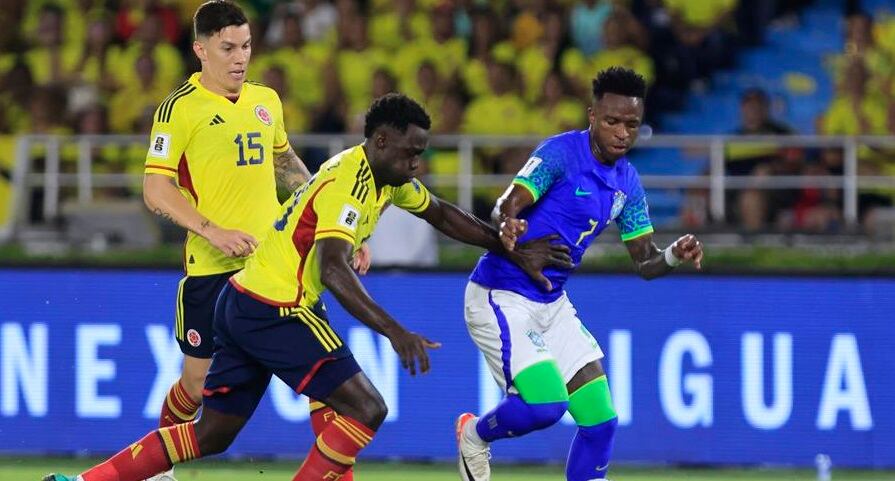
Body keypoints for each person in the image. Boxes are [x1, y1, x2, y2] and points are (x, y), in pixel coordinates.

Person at [43, 93, 573, 481]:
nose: (417, 165)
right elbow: (337, 269)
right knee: (367, 409)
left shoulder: (386, 177)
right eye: (411, 153)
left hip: (243, 302)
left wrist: (507, 247)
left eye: (422, 155)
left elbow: (442, 214)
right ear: (381, 141)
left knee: (214, 434)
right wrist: (395, 331)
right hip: (277, 308)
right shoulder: (350, 181)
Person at [454, 67, 705, 481]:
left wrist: (674, 255)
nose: (622, 133)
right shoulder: (561, 154)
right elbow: (506, 204)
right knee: (545, 407)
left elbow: (645, 262)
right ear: (592, 115)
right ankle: (474, 435)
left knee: (600, 421)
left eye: (631, 125)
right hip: (501, 294)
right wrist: (508, 224)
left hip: (552, 304)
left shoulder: (628, 182)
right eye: (612, 121)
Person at [139, 2, 316, 480]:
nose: (241, 58)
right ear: (200, 50)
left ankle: (335, 471)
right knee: (196, 385)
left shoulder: (267, 101)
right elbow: (156, 189)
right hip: (212, 269)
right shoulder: (178, 110)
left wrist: (333, 225)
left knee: (324, 374)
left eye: (247, 46)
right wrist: (212, 230)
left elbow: (286, 167)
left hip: (272, 267)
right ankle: (160, 470)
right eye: (228, 48)